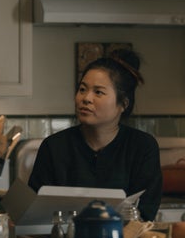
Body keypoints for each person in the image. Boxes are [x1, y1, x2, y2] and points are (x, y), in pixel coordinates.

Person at [28, 49, 162, 221]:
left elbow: (145, 212)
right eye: (82, 89)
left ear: (123, 104)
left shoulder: (142, 147)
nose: (86, 98)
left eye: (98, 92)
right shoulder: (54, 147)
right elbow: (33, 211)